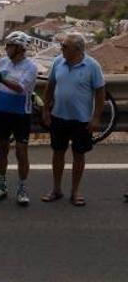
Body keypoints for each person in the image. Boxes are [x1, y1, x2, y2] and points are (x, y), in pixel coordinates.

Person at [41, 32, 105, 207]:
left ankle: (75, 191)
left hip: (82, 120)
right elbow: (50, 86)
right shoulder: (57, 62)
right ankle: (56, 189)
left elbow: (100, 94)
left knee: (79, 155)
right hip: (59, 117)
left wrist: (96, 117)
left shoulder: (92, 66)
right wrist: (46, 110)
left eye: (64, 46)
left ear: (77, 50)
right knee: (58, 153)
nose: (61, 48)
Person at [0, 31, 38, 206]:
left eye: (9, 45)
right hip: (2, 112)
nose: (6, 48)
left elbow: (20, 88)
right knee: (1, 150)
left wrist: (2, 78)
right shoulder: (3, 62)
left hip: (21, 114)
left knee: (20, 151)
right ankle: (1, 185)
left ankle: (22, 187)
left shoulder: (30, 66)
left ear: (19, 48)